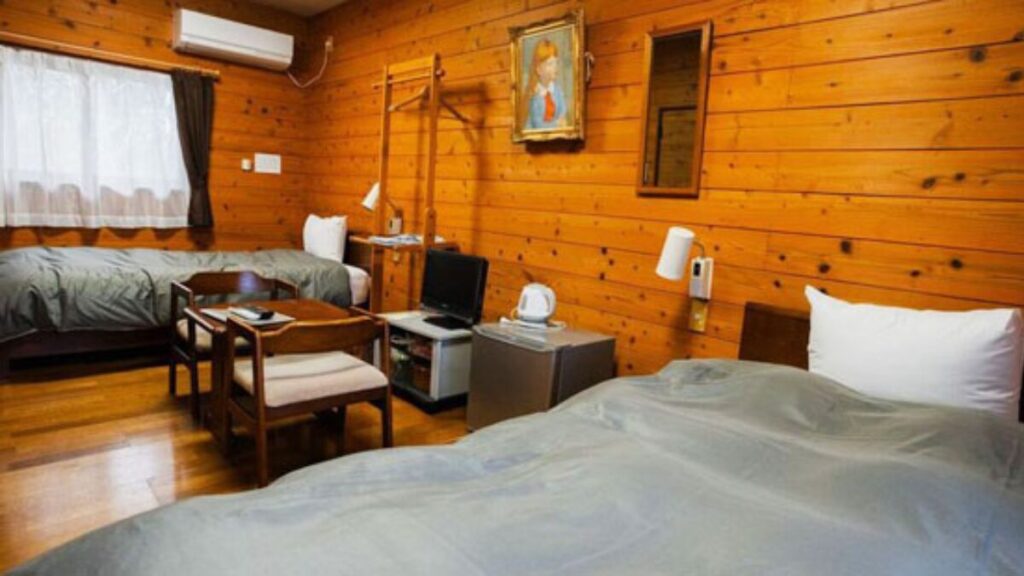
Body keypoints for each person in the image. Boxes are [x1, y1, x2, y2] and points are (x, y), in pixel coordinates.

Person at [524, 38, 567, 130]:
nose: (555, 67)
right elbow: (538, 125)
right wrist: (557, 125)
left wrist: (561, 121)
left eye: (556, 62)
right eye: (550, 64)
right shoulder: (534, 95)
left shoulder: (558, 91)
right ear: (539, 69)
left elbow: (563, 112)